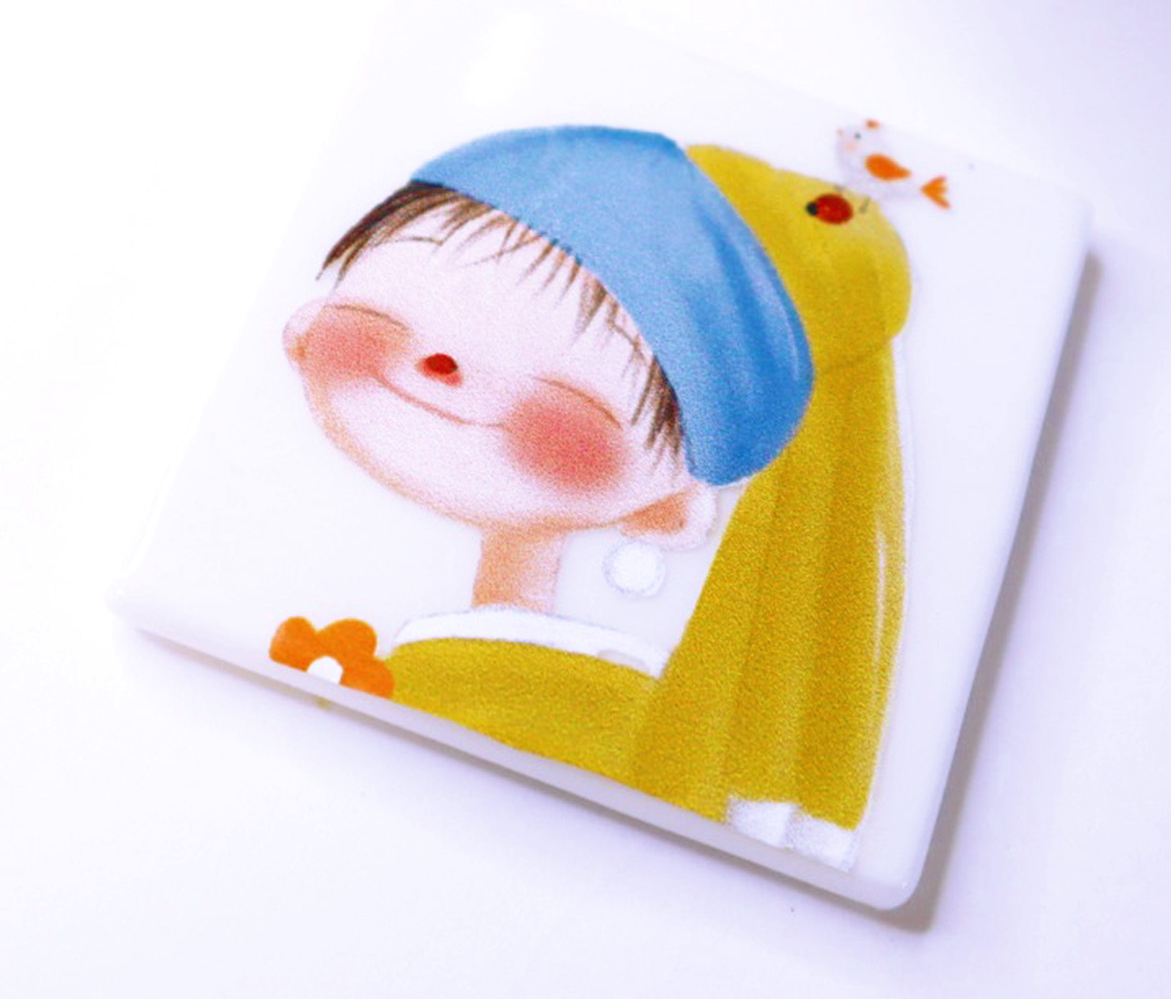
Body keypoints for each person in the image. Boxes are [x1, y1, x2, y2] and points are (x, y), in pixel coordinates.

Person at [281, 127, 912, 864]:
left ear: (671, 506)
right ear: (303, 331)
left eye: (567, 380)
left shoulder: (597, 716)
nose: (442, 362)